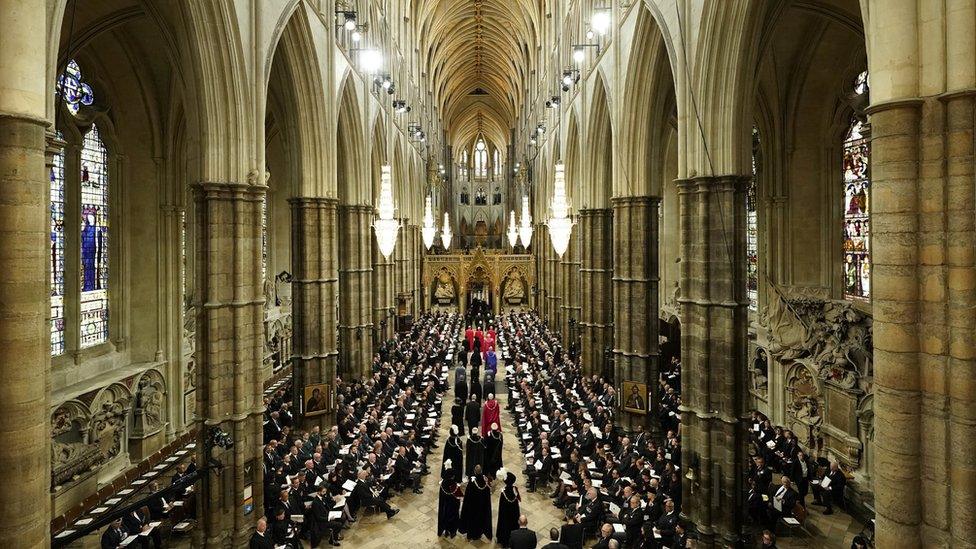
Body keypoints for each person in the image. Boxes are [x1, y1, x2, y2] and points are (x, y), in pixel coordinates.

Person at [459, 464, 493, 541]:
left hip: (472, 507)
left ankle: (471, 534)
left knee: (472, 520)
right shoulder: (485, 481)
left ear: (475, 471)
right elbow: (487, 495)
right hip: (482, 506)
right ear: (481, 471)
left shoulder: (472, 482)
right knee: (480, 520)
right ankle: (479, 534)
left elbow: (467, 495)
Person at [437, 460, 464, 538]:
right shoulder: (454, 486)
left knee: (445, 518)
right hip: (452, 508)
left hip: (444, 507)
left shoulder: (442, 484)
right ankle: (452, 532)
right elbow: (459, 497)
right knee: (453, 519)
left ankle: (445, 531)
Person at [496, 470, 522, 547]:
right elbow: (516, 504)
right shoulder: (515, 490)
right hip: (514, 514)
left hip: (505, 515)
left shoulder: (503, 492)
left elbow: (501, 506)